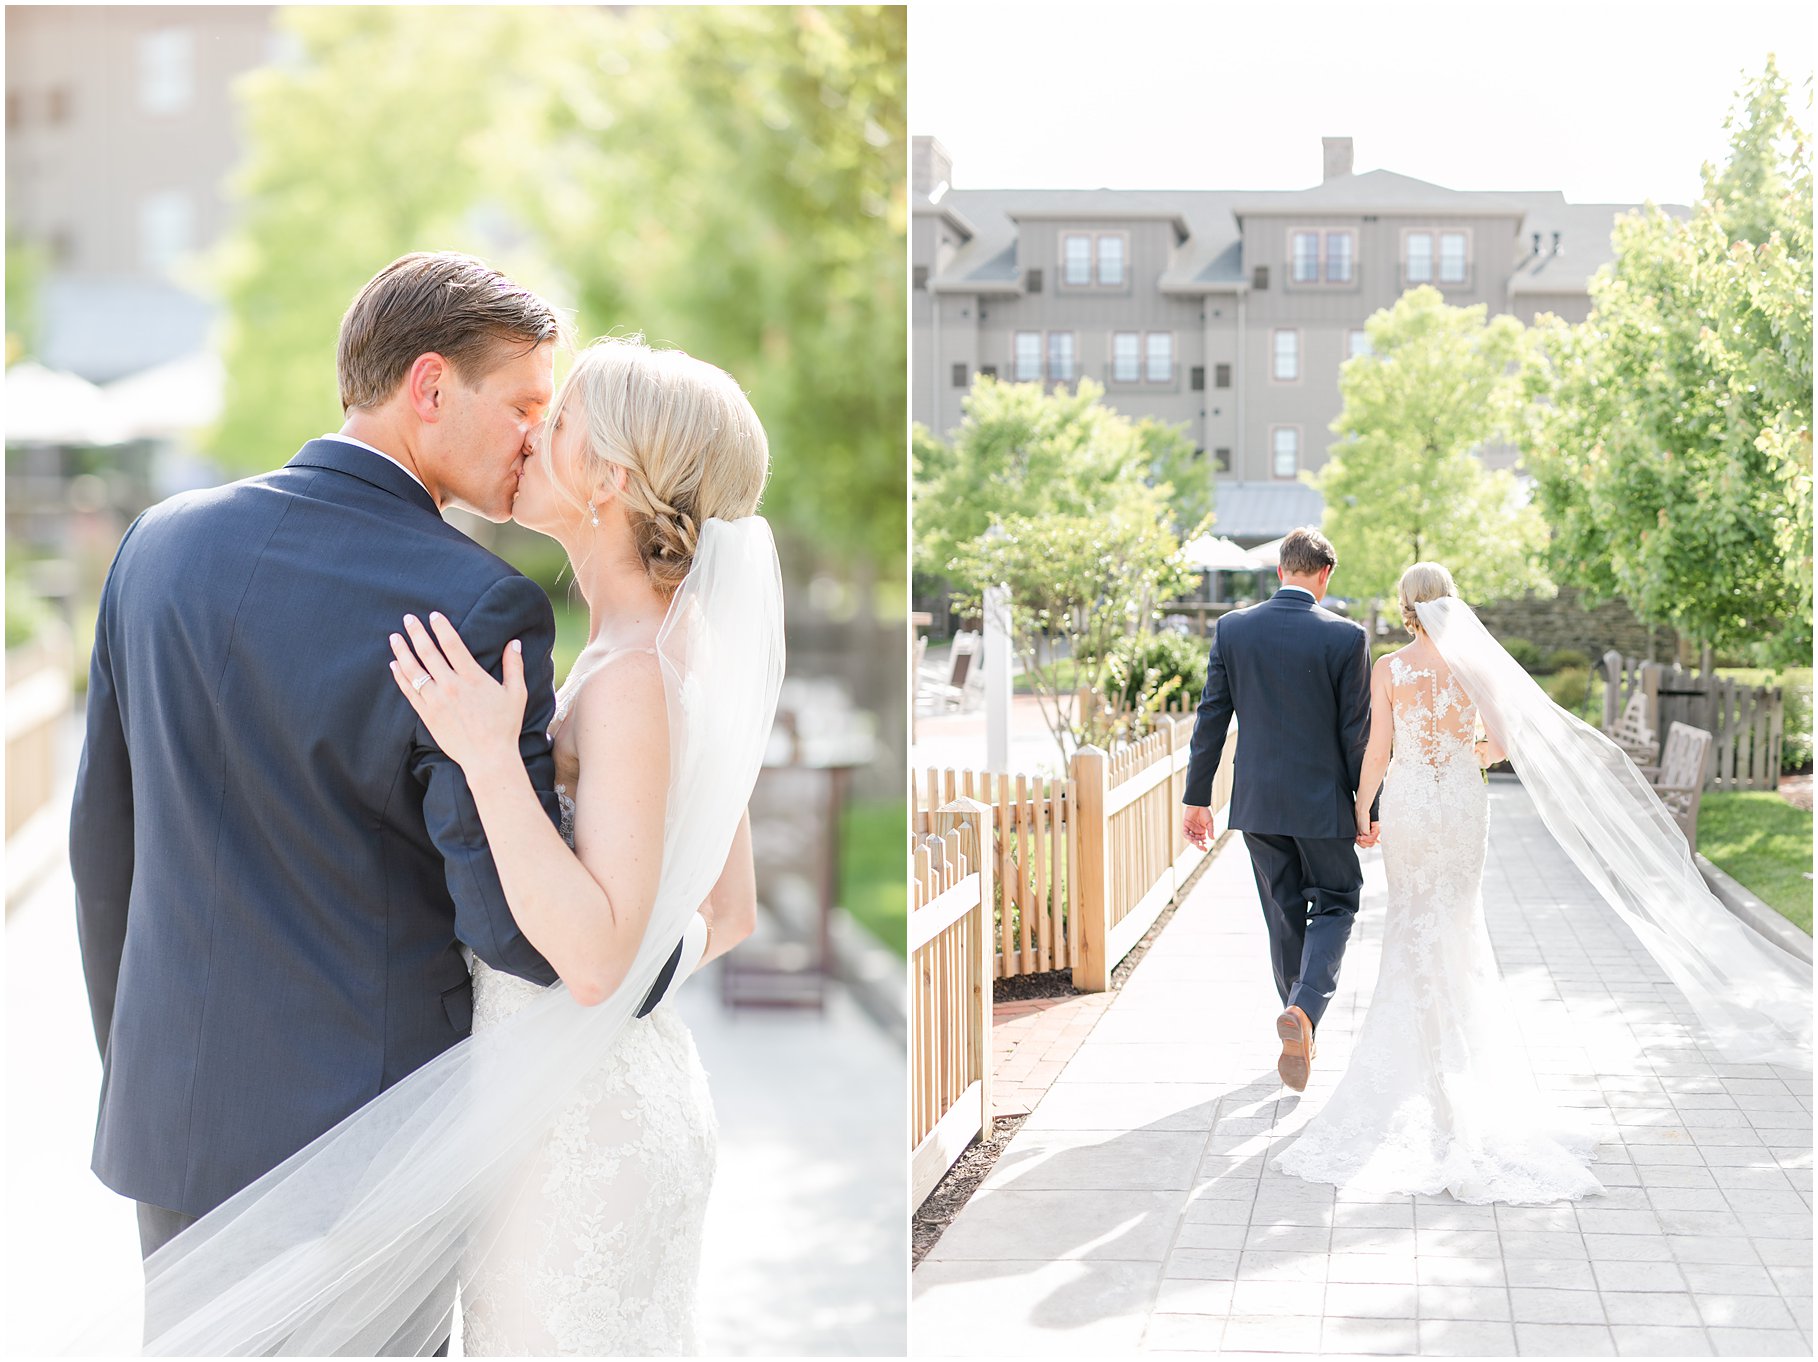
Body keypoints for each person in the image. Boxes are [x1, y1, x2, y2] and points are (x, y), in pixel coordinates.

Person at [386, 335, 771, 1353]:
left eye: (554, 422)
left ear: (611, 479)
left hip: (582, 1146)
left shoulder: (633, 677)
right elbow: (728, 912)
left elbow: (596, 959)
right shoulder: (654, 652)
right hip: (604, 1103)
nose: (527, 432)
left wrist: (488, 759)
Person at [1271, 562, 1602, 1203]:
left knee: (1409, 925)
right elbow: (1501, 743)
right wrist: (1463, 757)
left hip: (1411, 809)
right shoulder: (1475, 669)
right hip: (1458, 805)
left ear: (1406, 606)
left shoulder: (1390, 670)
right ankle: (1464, 1076)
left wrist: (1363, 809)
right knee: (1460, 927)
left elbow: (1377, 751)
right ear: (1451, 603)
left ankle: (1425, 1069)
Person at [1179, 526, 1378, 1091]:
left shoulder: (1234, 629)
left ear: (1280, 571)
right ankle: (1306, 1011)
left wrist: (1197, 799)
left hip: (1259, 803)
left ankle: (1298, 1019)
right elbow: (1356, 735)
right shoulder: (1346, 637)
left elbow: (1210, 718)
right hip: (1323, 804)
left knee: (1283, 911)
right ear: (1325, 574)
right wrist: (1369, 807)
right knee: (1337, 901)